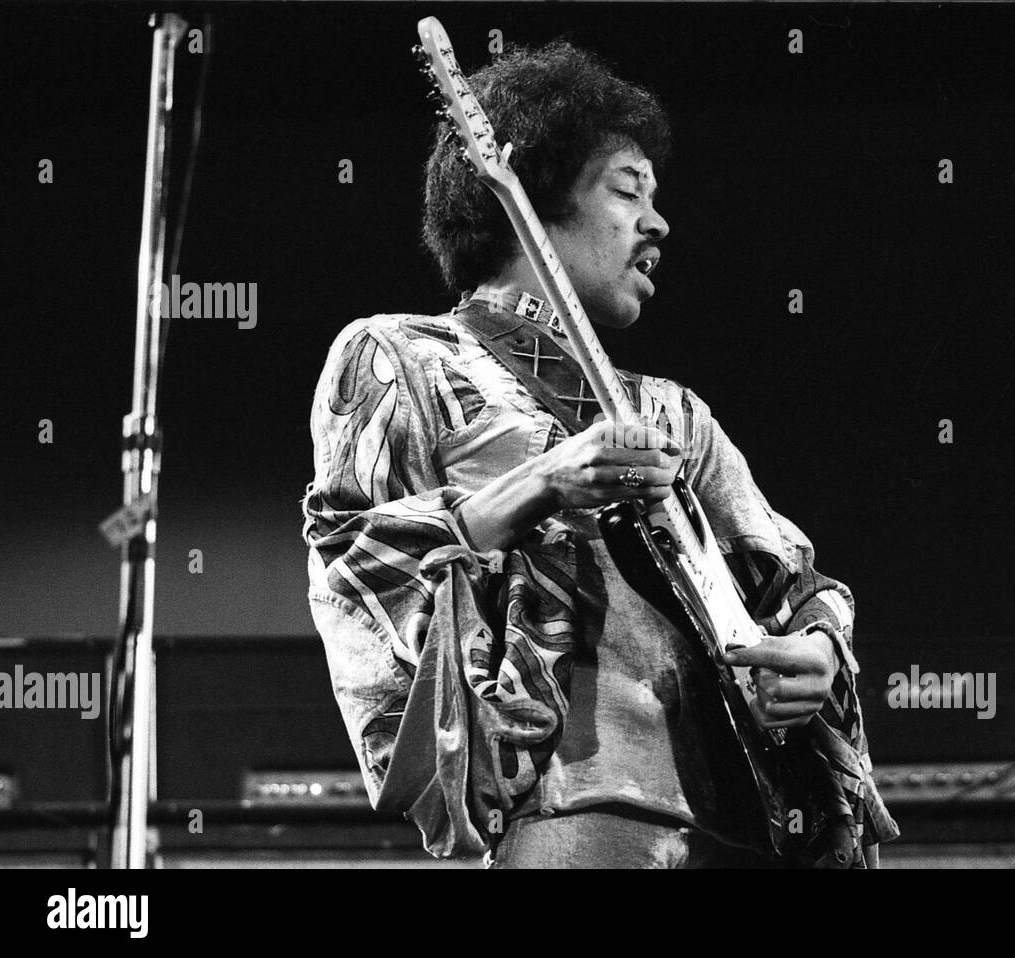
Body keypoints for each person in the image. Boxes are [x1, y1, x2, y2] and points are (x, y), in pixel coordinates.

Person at [301, 39, 897, 868]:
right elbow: (356, 565)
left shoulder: (674, 412)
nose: (658, 222)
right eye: (628, 190)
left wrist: (820, 648)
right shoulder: (400, 355)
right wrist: (546, 479)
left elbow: (800, 582)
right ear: (527, 192)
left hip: (748, 824)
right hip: (574, 807)